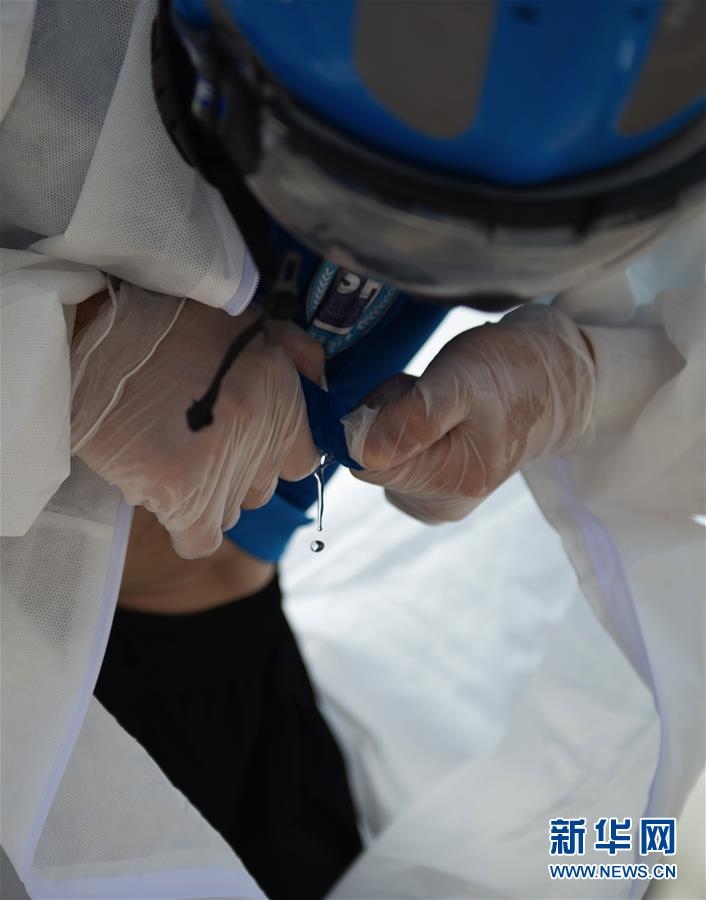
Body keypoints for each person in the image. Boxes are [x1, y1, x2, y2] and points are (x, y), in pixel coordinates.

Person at [1, 0, 703, 897]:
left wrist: (590, 378)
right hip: (27, 661)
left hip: (230, 656)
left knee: (609, 847)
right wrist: (73, 353)